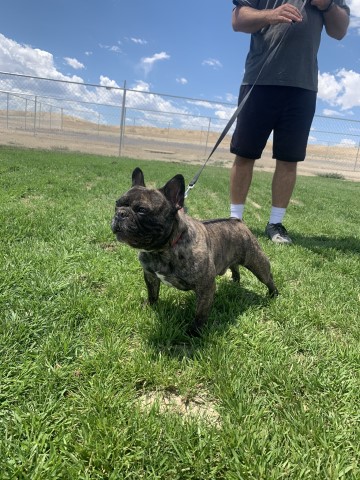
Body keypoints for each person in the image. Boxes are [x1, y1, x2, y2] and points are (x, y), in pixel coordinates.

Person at [230, 0, 350, 243]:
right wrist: (271, 14)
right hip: (258, 81)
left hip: (302, 86)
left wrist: (327, 5)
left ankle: (276, 223)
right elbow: (238, 20)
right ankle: (235, 222)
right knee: (244, 154)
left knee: (289, 159)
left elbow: (339, 31)